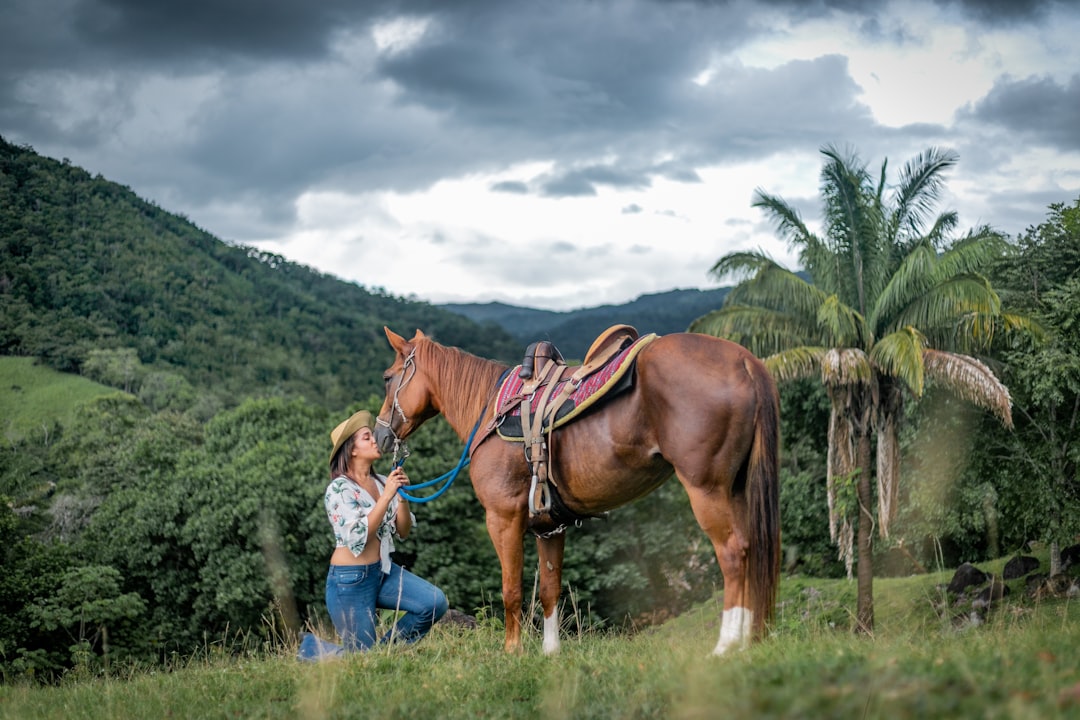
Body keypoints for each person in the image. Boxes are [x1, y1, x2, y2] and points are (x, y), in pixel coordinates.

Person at [298, 410, 448, 661]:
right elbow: (360, 536)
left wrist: (401, 496)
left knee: (434, 603)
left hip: (382, 572)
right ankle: (313, 650)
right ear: (352, 450)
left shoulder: (380, 481)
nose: (375, 440)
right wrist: (388, 495)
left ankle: (382, 652)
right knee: (364, 662)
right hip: (350, 582)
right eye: (367, 437)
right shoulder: (339, 489)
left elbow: (403, 531)